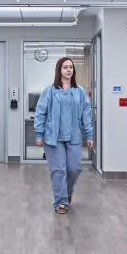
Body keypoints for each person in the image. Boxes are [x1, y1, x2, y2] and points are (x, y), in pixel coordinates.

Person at [33, 56, 93, 214]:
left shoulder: (79, 91)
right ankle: (60, 202)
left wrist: (90, 135)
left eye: (71, 67)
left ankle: (67, 193)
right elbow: (40, 113)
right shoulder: (49, 91)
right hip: (53, 138)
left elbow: (86, 115)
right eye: (65, 67)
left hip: (73, 136)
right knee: (59, 170)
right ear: (59, 70)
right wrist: (39, 135)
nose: (68, 70)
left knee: (75, 168)